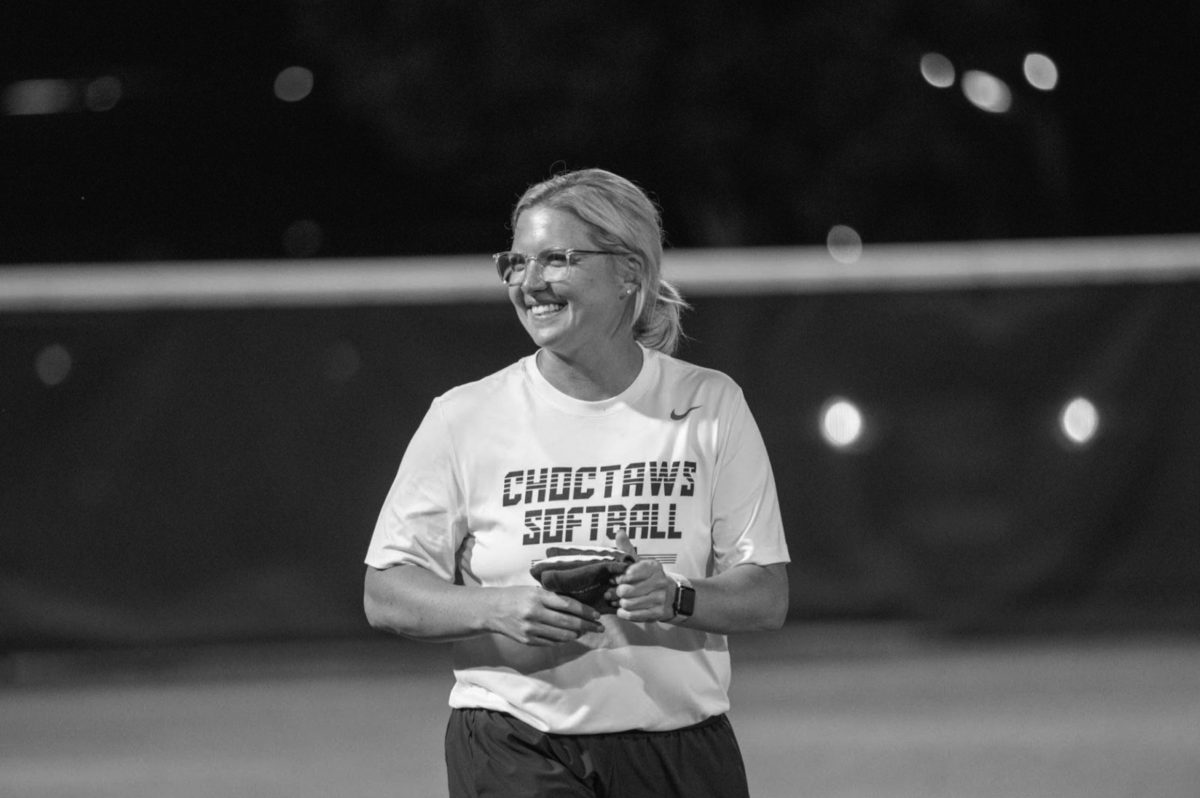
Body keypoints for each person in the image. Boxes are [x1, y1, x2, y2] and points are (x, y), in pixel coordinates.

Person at [364, 168, 790, 797]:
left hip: (680, 750)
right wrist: (498, 607)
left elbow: (766, 596)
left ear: (630, 274)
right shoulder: (464, 415)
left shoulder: (708, 403)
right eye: (516, 261)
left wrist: (675, 597)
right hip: (514, 741)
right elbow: (386, 592)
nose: (530, 283)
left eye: (557, 259)